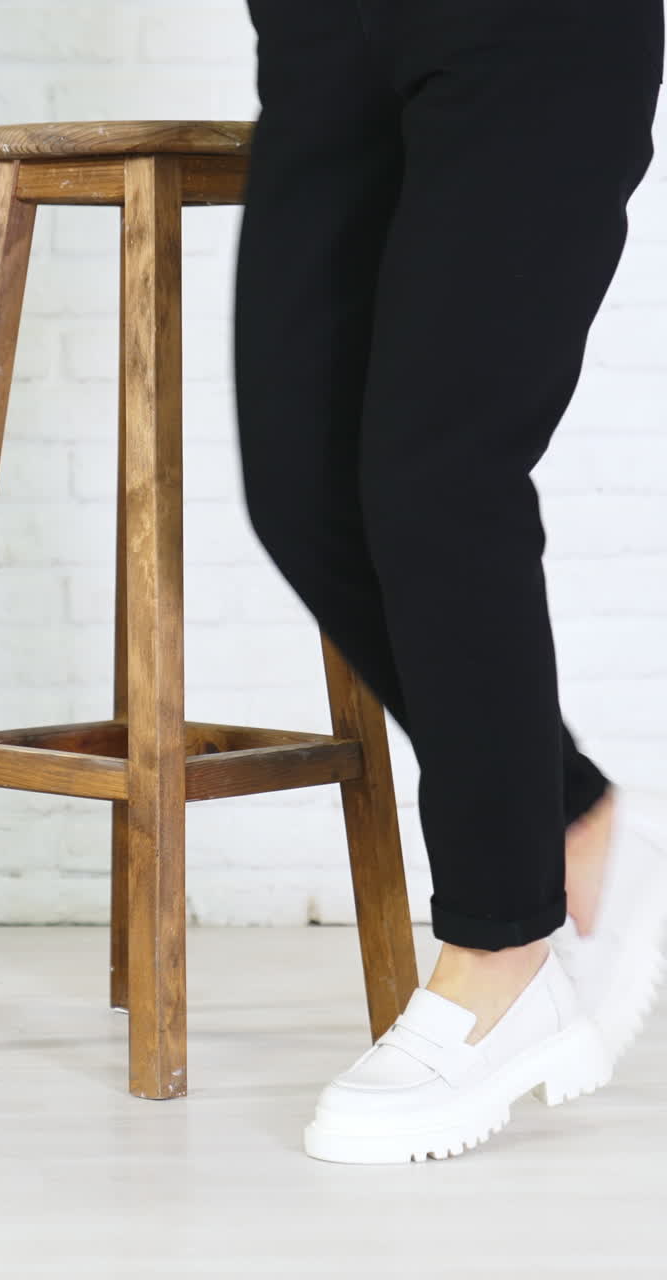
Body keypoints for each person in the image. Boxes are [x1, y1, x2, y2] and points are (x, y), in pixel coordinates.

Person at [232, 0, 667, 1163]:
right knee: (300, 484)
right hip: (323, 30)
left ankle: (502, 944)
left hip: (532, 27)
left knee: (438, 473)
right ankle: (567, 806)